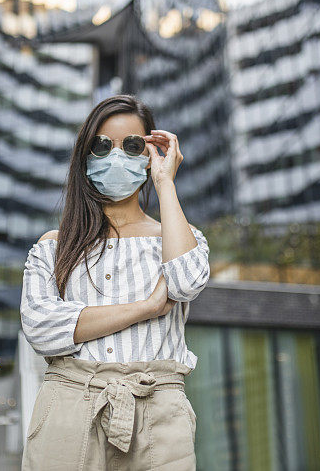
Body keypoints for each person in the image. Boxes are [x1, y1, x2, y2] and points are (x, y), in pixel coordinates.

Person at [20, 94, 210, 470]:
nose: (117, 156)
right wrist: (147, 308)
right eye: (102, 146)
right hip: (69, 406)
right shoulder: (55, 246)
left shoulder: (178, 237)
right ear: (85, 156)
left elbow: (186, 281)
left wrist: (165, 182)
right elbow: (41, 328)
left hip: (159, 412)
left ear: (150, 153)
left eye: (133, 146)